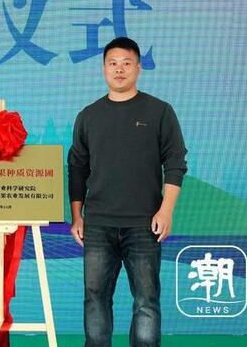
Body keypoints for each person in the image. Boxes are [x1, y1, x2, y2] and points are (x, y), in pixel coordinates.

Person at [68, 37, 187, 347]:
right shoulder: (89, 115)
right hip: (98, 225)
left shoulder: (159, 111)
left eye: (126, 63)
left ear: (138, 68)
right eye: (112, 63)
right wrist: (77, 216)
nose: (119, 69)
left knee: (146, 300)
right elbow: (77, 168)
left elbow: (176, 162)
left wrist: (166, 211)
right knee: (95, 298)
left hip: (144, 224)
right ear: (103, 68)